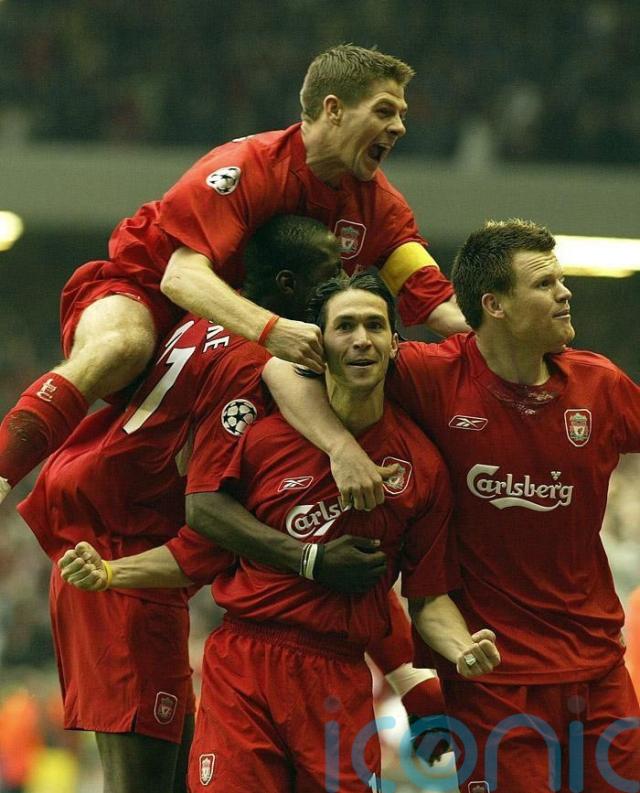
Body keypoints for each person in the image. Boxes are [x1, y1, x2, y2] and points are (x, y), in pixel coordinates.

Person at [17, 218, 446, 793]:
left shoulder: (207, 320)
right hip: (121, 544)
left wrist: (412, 681)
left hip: (121, 532)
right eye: (330, 278)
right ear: (289, 287)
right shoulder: (259, 379)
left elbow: (356, 567)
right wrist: (335, 473)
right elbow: (207, 514)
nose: (340, 281)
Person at [262, 219, 640, 792]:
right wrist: (341, 448)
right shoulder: (429, 374)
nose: (565, 294)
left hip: (599, 666)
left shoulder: (601, 386)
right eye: (545, 284)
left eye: (561, 281)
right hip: (492, 674)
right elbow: (279, 368)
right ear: (494, 305)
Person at [0, 43, 468, 506]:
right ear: (334, 109)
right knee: (119, 346)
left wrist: (507, 326)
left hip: (237, 338)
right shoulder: (247, 167)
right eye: (384, 111)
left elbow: (438, 305)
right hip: (145, 289)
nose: (399, 126)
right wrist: (272, 331)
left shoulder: (382, 208)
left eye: (401, 114)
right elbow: (180, 277)